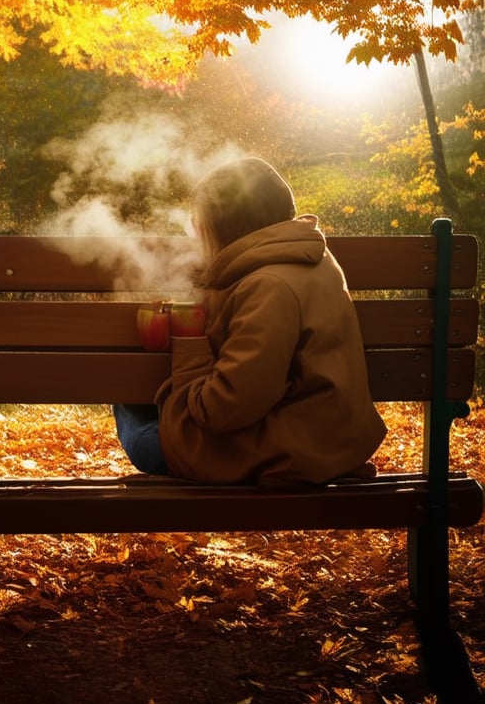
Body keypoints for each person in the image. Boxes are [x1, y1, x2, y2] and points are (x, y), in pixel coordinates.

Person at [113, 156, 386, 483]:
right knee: (146, 405)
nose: (196, 241)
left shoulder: (268, 289)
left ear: (222, 230)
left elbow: (223, 409)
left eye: (201, 229)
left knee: (130, 409)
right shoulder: (312, 261)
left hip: (286, 453)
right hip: (328, 441)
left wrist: (190, 343)